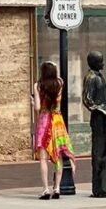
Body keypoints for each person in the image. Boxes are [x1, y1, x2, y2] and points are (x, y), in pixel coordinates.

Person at [31, 61, 76, 200]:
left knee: (43, 158)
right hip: (57, 121)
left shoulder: (38, 86)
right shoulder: (60, 83)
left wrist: (33, 102)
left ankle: (45, 189)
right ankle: (57, 188)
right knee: (58, 156)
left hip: (44, 121)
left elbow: (38, 108)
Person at [81, 50, 106, 198]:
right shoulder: (91, 78)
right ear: (94, 62)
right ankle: (98, 187)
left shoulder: (99, 76)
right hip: (99, 119)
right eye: (100, 61)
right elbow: (87, 100)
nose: (103, 63)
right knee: (99, 151)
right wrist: (103, 112)